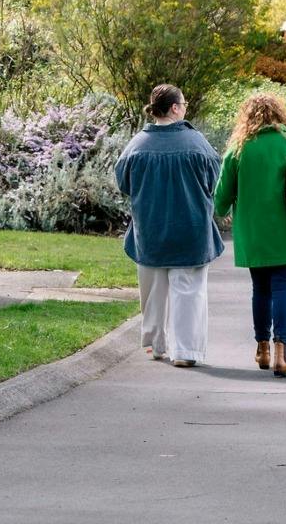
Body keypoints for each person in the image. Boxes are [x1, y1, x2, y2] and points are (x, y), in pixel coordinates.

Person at [114, 84, 224, 368]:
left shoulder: (136, 145)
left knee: (152, 289)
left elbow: (124, 183)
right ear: (174, 108)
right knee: (189, 290)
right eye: (183, 103)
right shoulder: (197, 143)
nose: (185, 107)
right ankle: (186, 350)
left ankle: (155, 343)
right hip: (191, 227)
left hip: (150, 228)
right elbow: (213, 181)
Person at [213, 92, 286, 377]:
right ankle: (281, 355)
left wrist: (222, 208)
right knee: (284, 287)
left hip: (253, 231)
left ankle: (261, 349)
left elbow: (221, 196)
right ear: (280, 114)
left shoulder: (239, 147)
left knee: (260, 288)